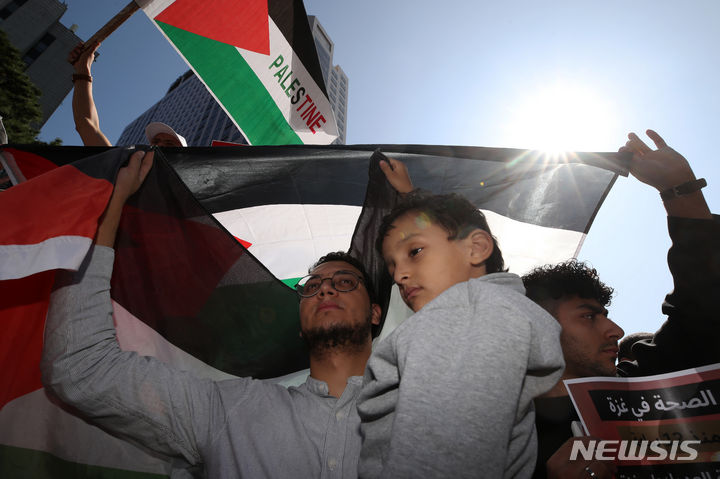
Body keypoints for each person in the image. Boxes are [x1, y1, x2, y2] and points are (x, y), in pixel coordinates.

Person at [41, 150, 383, 477]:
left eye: (345, 281)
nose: (324, 289)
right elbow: (82, 367)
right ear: (300, 327)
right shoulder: (228, 410)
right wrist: (106, 212)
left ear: (376, 313)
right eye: (311, 287)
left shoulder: (424, 415)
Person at [523, 129, 719, 479]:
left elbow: (704, 303)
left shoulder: (650, 386)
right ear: (537, 329)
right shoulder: (498, 436)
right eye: (588, 316)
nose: (616, 330)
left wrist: (679, 188)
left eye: (605, 316)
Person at [356, 190, 565, 478]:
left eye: (414, 252)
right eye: (391, 265)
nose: (398, 275)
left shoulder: (465, 310)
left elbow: (444, 458)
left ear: (476, 249)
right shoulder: (480, 314)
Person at [68, 42, 186, 147]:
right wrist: (83, 68)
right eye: (155, 141)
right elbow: (86, 124)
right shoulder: (121, 166)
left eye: (170, 144)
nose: (159, 145)